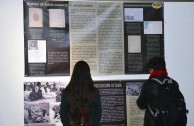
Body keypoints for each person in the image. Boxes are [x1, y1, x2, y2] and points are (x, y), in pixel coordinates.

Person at [136, 57, 187, 126]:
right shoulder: (173, 83)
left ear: (151, 69)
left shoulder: (149, 84)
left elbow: (141, 105)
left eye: (149, 70)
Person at [60, 60, 102, 126]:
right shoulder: (95, 92)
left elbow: (63, 116)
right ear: (88, 74)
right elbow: (98, 115)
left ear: (74, 73)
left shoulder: (66, 92)